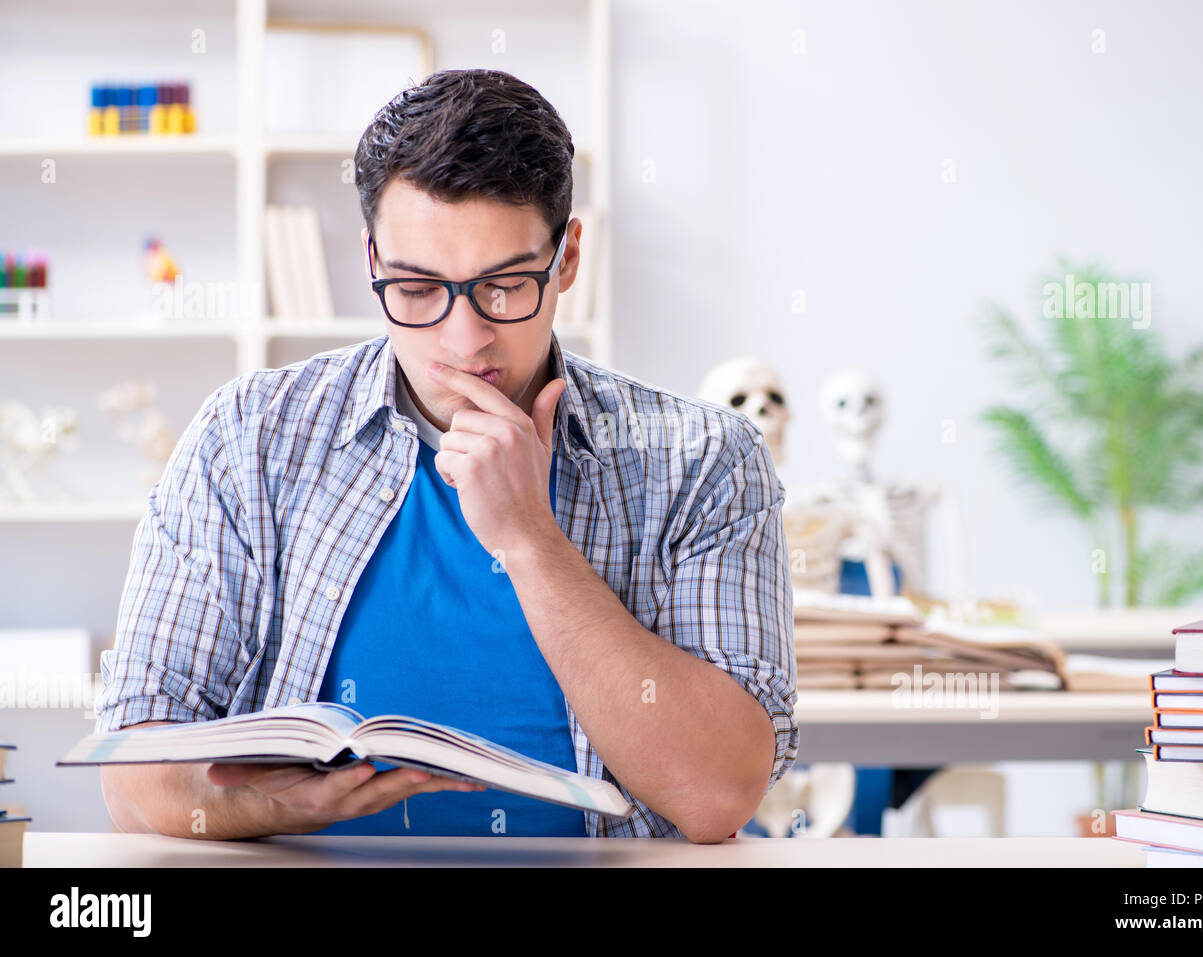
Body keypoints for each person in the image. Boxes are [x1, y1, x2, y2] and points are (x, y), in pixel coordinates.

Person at [97, 69, 796, 842]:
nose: (464, 341)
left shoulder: (704, 460)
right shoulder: (248, 437)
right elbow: (133, 771)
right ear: (372, 259)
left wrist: (528, 538)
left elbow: (717, 793)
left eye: (503, 286)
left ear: (566, 258)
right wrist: (278, 803)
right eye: (418, 287)